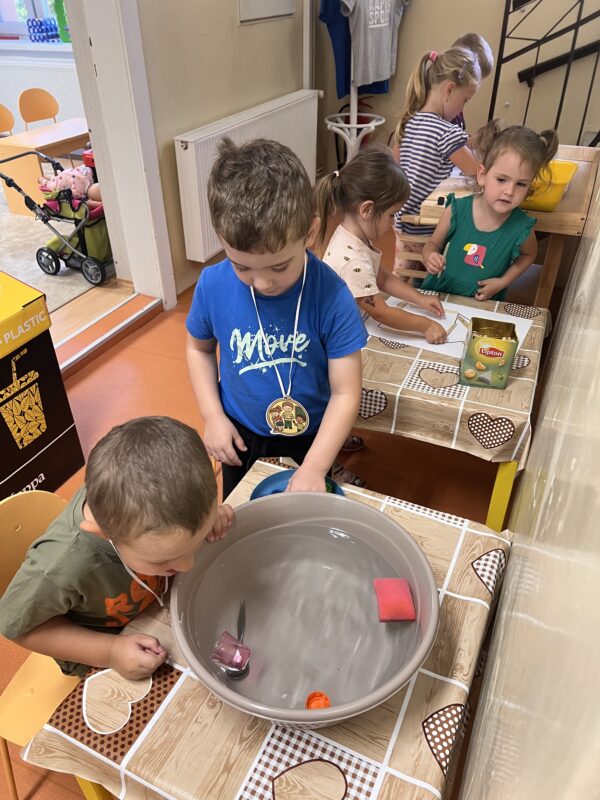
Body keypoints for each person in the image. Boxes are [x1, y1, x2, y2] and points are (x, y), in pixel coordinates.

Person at [186, 137, 368, 499]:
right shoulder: (212, 285)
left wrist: (315, 466)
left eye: (280, 266)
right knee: (241, 517)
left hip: (311, 439)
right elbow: (199, 349)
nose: (263, 282)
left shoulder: (332, 297)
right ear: (221, 239)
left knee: (303, 517)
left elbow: (346, 392)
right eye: (242, 267)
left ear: (310, 233)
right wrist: (212, 416)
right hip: (239, 433)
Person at [0, 416, 233, 680]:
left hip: (155, 607)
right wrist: (110, 651)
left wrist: (207, 523)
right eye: (162, 560)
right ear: (104, 534)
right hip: (111, 648)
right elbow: (16, 627)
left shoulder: (141, 506)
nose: (188, 565)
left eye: (194, 544)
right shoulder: (62, 565)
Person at [315, 146, 447, 345]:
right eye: (391, 215)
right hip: (335, 338)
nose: (393, 223)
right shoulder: (353, 260)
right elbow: (382, 313)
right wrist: (425, 325)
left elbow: (381, 277)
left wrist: (418, 298)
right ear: (367, 210)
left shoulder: (353, 235)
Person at [421, 120, 558, 300]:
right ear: (482, 175)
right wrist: (429, 256)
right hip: (440, 295)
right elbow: (432, 245)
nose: (509, 191)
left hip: (484, 302)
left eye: (521, 184)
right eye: (501, 180)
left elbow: (529, 254)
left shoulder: (521, 227)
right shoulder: (456, 210)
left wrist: (503, 282)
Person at [392, 46, 481, 275]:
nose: (462, 109)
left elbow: (394, 167)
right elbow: (477, 172)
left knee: (403, 274)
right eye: (465, 100)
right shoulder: (446, 132)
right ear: (449, 89)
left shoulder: (409, 122)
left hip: (401, 221)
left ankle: (401, 293)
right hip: (427, 229)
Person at [449, 33, 494, 132]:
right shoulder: (445, 115)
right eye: (477, 79)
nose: (478, 85)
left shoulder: (455, 108)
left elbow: (461, 135)